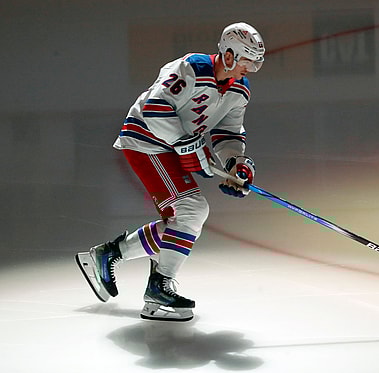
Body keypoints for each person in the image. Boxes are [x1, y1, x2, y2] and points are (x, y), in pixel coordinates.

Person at [75, 22, 265, 321]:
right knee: (192, 209)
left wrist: (235, 163)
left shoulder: (240, 89)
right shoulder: (191, 67)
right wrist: (188, 146)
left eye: (256, 63)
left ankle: (111, 256)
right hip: (147, 141)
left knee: (181, 220)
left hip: (173, 147)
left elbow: (228, 133)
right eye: (247, 61)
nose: (250, 69)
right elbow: (154, 108)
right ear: (229, 55)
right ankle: (157, 288)